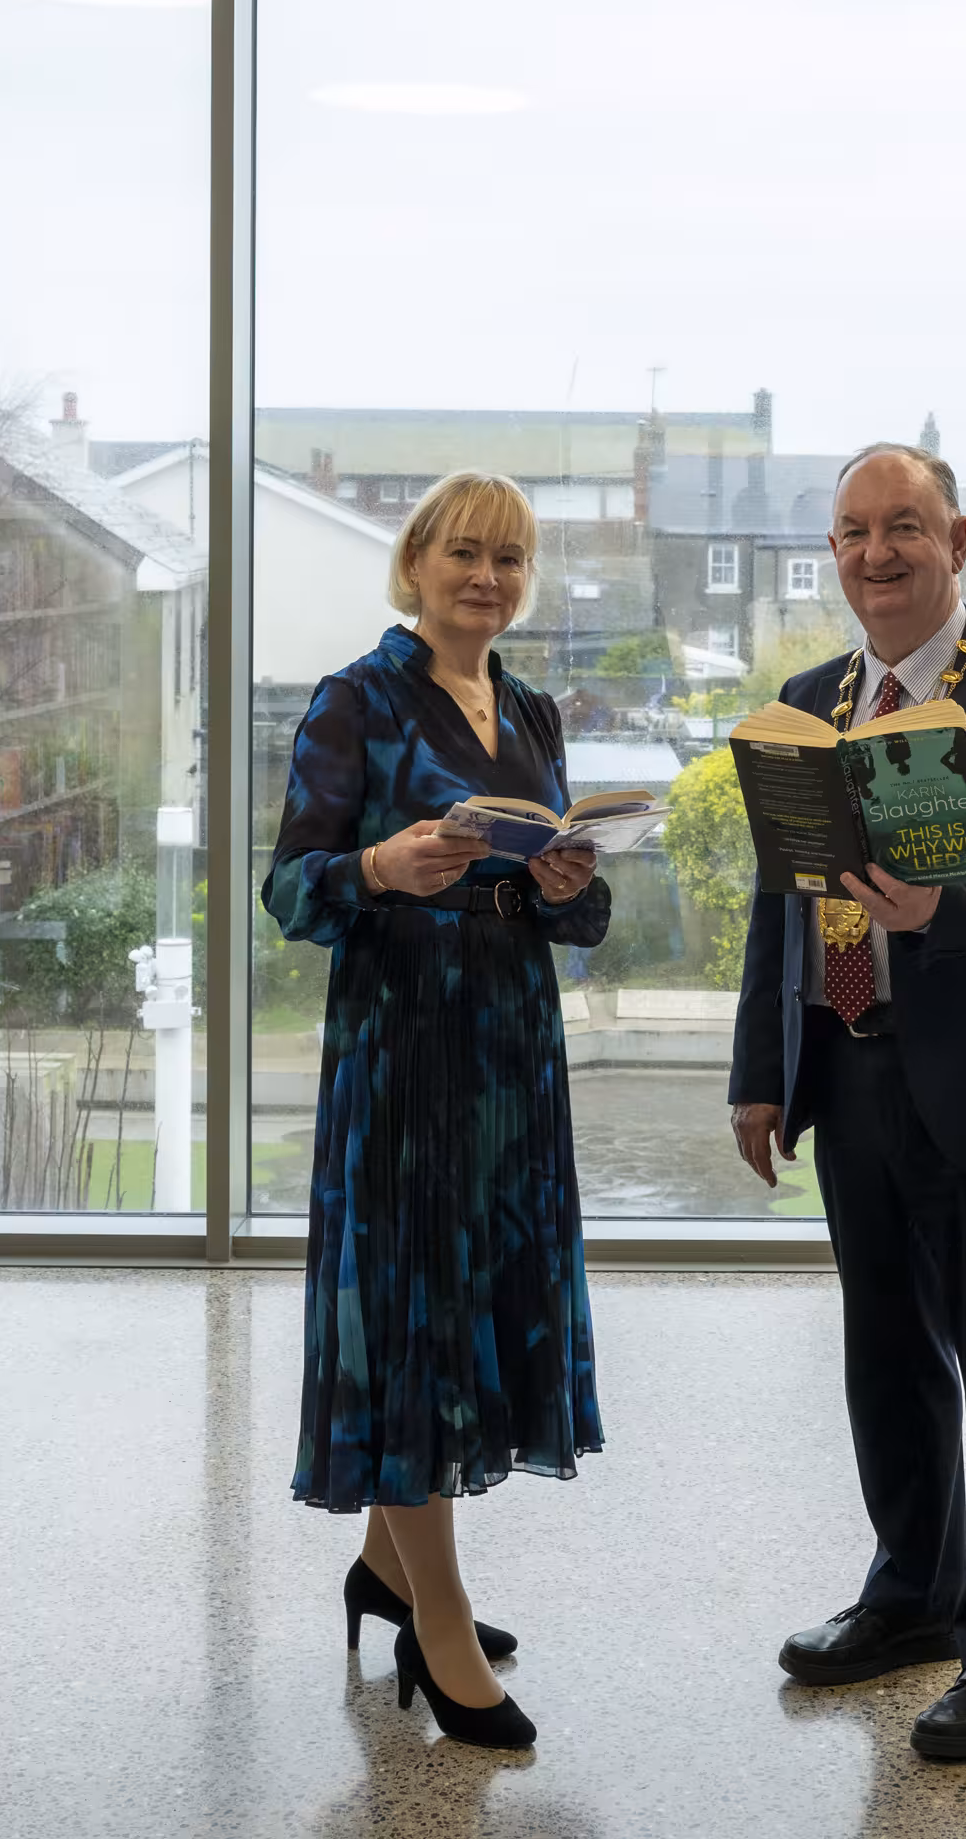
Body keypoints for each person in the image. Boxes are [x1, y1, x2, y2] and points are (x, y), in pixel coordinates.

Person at [728, 441, 966, 1763]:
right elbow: (779, 905)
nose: (876, 552)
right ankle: (914, 1597)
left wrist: (953, 905)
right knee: (887, 1358)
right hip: (852, 1065)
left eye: (903, 526)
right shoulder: (807, 703)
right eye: (852, 531)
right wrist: (759, 1073)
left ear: (956, 541)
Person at [263, 470, 606, 1752]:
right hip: (404, 1041)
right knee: (414, 1316)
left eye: (509, 559)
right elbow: (290, 889)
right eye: (465, 553)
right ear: (416, 561)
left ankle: (383, 1565)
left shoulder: (530, 709)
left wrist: (569, 882)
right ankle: (439, 1624)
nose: (487, 578)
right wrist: (380, 864)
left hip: (510, 1042)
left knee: (470, 1305)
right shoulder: (355, 699)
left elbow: (575, 910)